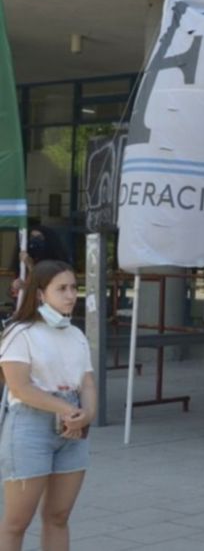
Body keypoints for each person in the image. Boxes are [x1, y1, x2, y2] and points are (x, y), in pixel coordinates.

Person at [0, 260, 96, 551]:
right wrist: (65, 409)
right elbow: (20, 387)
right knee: (16, 522)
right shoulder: (20, 332)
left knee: (58, 516)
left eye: (74, 288)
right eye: (62, 289)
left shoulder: (76, 335)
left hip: (73, 430)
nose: (70, 295)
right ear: (40, 293)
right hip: (30, 427)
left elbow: (87, 383)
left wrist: (86, 414)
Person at [8, 225, 72, 301]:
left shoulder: (58, 267)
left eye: (39, 238)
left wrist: (30, 266)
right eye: (32, 237)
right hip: (27, 307)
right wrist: (15, 286)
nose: (35, 241)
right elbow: (12, 293)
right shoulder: (24, 263)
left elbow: (43, 287)